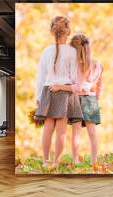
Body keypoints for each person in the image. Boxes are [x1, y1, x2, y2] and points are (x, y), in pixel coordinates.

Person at [34, 16, 82, 167]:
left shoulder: (45, 51)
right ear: (68, 32)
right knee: (61, 131)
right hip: (65, 93)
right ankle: (56, 163)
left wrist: (38, 97)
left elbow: (40, 77)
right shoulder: (72, 52)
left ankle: (45, 161)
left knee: (47, 129)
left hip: (47, 92)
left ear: (52, 31)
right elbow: (75, 78)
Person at [69, 33, 103, 165]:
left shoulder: (73, 65)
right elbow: (99, 85)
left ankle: (75, 160)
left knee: (76, 133)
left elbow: (70, 83)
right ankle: (94, 161)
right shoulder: (97, 65)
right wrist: (96, 98)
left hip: (76, 99)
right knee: (92, 134)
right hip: (91, 100)